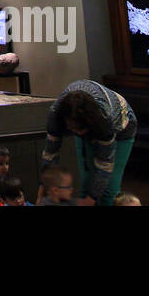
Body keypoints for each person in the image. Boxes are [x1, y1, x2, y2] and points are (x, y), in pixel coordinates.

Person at [40, 79, 137, 207]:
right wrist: (41, 193)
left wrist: (89, 201)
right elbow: (50, 154)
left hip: (122, 127)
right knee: (86, 182)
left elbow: (104, 166)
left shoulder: (104, 120)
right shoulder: (56, 115)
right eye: (73, 129)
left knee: (109, 190)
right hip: (91, 124)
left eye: (81, 129)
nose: (78, 133)